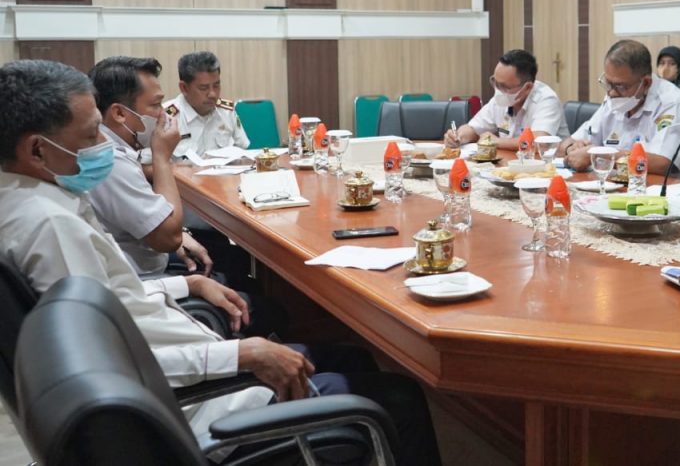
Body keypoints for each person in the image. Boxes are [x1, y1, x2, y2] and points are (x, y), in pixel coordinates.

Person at [0, 60, 441, 465]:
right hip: (197, 410)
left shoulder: (30, 203)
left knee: (354, 360)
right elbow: (107, 364)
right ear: (36, 151)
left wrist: (186, 286)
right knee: (400, 398)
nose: (103, 145)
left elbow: (110, 301)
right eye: (90, 134)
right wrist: (242, 354)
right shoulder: (50, 226)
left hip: (179, 372)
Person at [86, 56, 214, 277]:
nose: (163, 114)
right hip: (140, 280)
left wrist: (179, 234)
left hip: (147, 254)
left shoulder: (116, 147)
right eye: (156, 105)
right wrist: (162, 156)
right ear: (119, 113)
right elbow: (168, 238)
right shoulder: (110, 162)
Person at [557, 40, 680, 179]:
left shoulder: (675, 104)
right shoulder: (615, 98)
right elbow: (569, 142)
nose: (611, 92)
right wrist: (572, 148)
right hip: (622, 189)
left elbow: (663, 163)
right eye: (608, 83)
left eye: (620, 86)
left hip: (675, 196)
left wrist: (599, 155)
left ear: (646, 83)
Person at [445, 49, 568, 150]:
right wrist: (458, 137)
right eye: (495, 83)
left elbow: (539, 143)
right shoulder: (501, 98)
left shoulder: (546, 99)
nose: (498, 90)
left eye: (505, 86)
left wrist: (497, 142)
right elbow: (474, 128)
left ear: (527, 87)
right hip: (512, 162)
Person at [166, 51, 249, 159]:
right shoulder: (167, 117)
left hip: (224, 174)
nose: (212, 94)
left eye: (216, 85)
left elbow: (241, 151)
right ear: (184, 88)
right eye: (203, 88)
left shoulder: (227, 111)